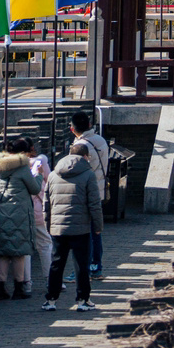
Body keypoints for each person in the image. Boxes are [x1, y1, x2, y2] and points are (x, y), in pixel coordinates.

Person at [43, 141, 104, 313]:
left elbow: (47, 203)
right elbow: (94, 204)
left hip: (58, 228)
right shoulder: (88, 175)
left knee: (56, 264)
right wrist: (98, 226)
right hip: (80, 229)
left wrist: (48, 224)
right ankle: (83, 300)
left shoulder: (54, 175)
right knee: (81, 265)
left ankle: (51, 300)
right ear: (85, 156)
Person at [0, 139, 42, 300]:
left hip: (3, 213)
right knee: (19, 252)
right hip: (19, 214)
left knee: (4, 253)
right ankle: (18, 288)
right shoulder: (22, 169)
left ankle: (0, 288)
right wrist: (38, 176)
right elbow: (35, 189)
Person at [69, 111, 110, 274]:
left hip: (84, 193)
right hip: (99, 190)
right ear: (89, 125)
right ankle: (96, 265)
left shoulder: (81, 146)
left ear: (72, 129)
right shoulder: (100, 140)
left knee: (84, 234)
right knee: (96, 231)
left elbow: (75, 170)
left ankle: (85, 268)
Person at [25, 138, 54, 287]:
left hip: (22, 211)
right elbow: (50, 182)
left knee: (25, 249)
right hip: (39, 210)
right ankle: (50, 279)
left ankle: (26, 282)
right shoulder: (40, 163)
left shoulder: (14, 166)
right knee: (45, 244)